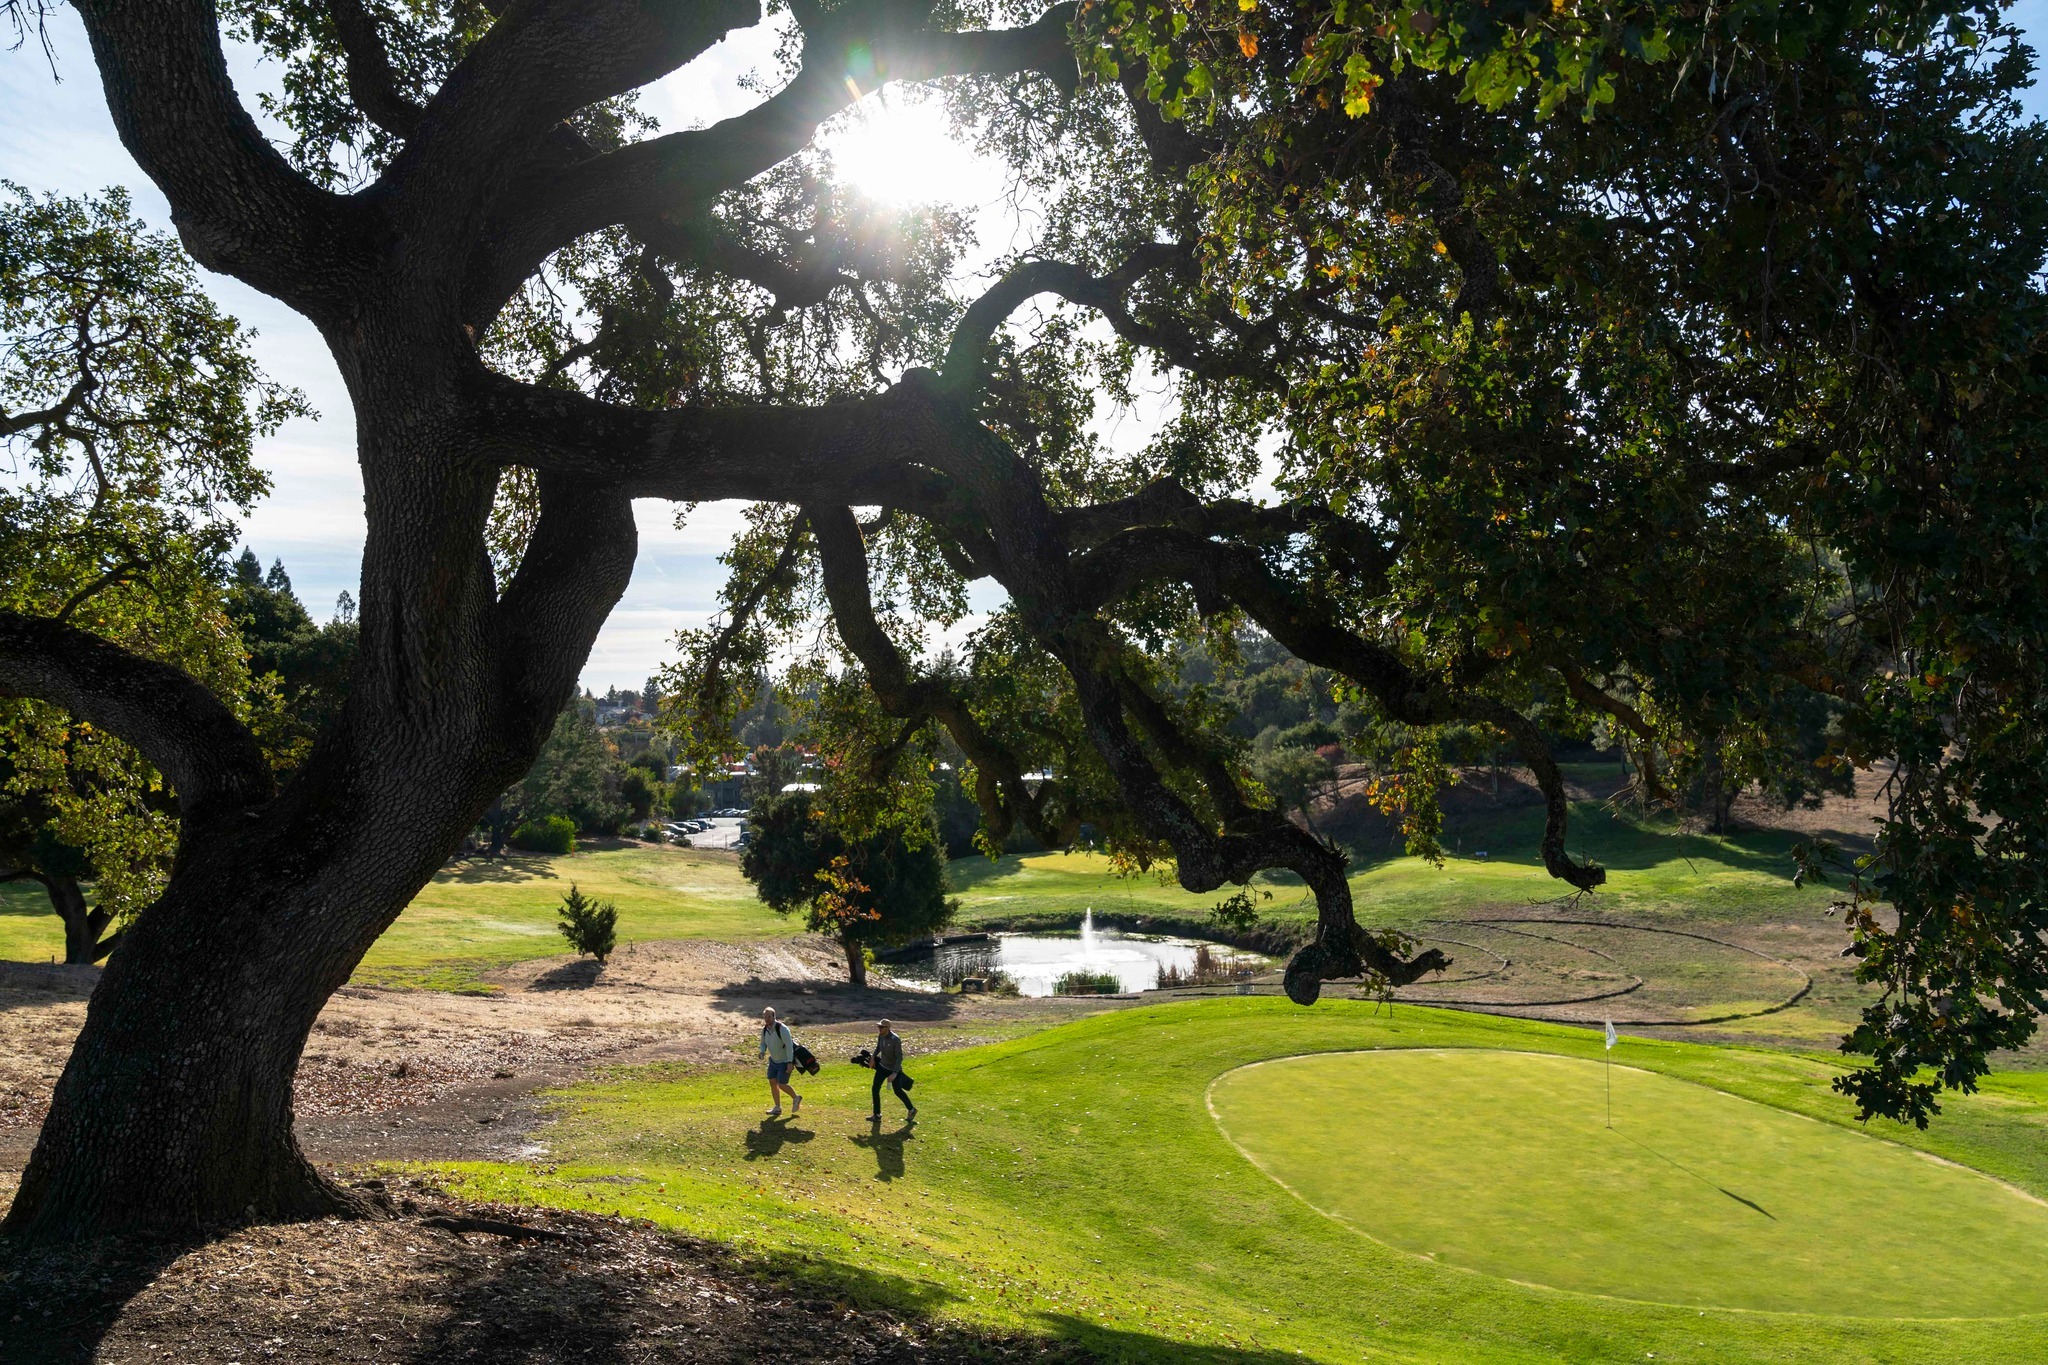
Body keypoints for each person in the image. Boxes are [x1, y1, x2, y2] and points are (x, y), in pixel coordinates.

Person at [758, 1006, 802, 1118]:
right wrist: (762, 1051)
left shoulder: (782, 1028)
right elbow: (763, 1043)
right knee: (772, 1082)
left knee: (781, 1084)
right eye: (765, 1017)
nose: (767, 1019)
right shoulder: (764, 1030)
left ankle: (796, 1098)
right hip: (773, 1061)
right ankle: (777, 1107)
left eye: (769, 1016)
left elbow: (789, 1046)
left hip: (785, 1061)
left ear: (774, 1016)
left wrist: (790, 1062)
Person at [869, 1018, 915, 1123]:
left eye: (881, 1027)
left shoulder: (895, 1039)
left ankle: (911, 1110)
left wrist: (894, 1073)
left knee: (898, 1091)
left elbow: (899, 1058)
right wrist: (873, 1058)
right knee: (875, 1088)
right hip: (882, 1067)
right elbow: (878, 1048)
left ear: (887, 1028)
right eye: (878, 1027)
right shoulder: (881, 1036)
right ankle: (877, 1114)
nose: (879, 1029)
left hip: (893, 1069)